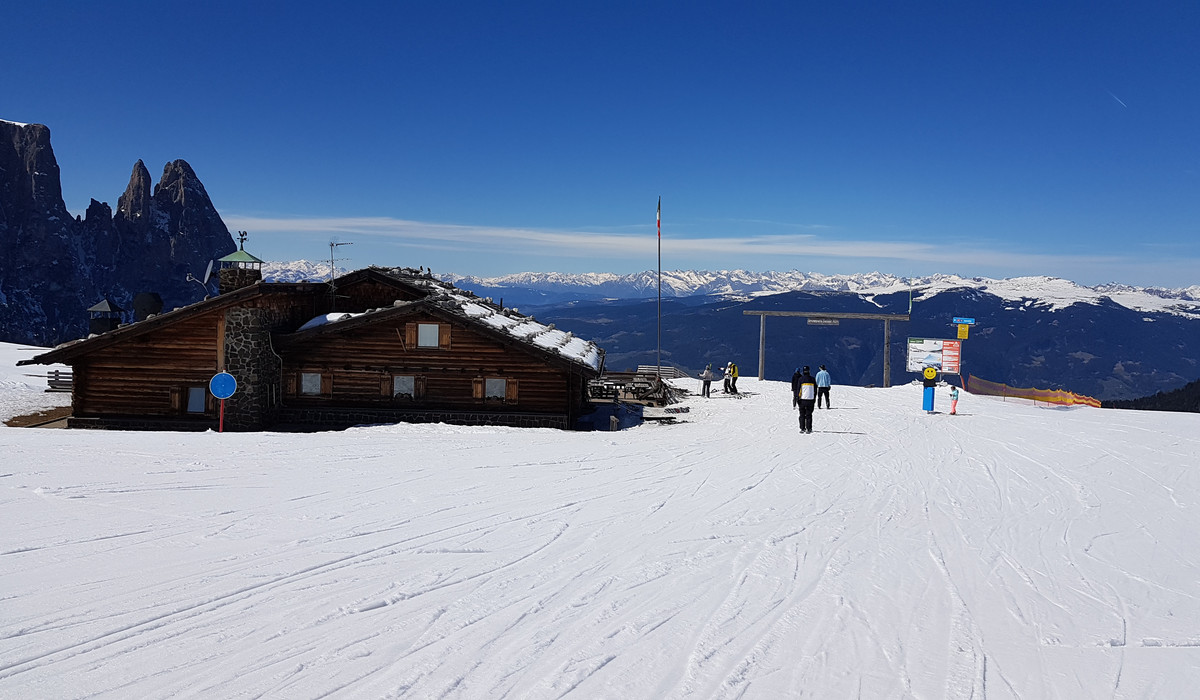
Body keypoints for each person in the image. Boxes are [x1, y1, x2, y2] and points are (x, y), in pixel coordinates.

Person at [797, 366, 816, 433]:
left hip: (803, 399)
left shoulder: (800, 379)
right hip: (810, 399)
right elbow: (815, 390)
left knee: (802, 414)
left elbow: (799, 390)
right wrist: (814, 399)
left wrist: (797, 399)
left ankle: (802, 428)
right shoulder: (813, 379)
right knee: (809, 415)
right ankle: (809, 428)